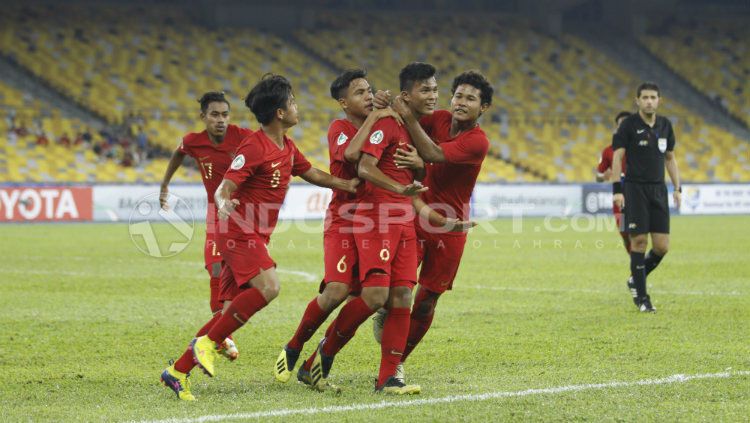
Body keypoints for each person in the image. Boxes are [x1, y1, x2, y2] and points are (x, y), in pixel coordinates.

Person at [160, 74, 359, 401]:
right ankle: (206, 344)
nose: (297, 108)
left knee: (227, 311)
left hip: (254, 236)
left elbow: (312, 173)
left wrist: (348, 185)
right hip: (237, 231)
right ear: (280, 112)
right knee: (269, 287)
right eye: (292, 102)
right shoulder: (254, 144)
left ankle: (178, 370)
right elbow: (226, 185)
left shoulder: (288, 147)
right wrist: (224, 204)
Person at [297, 62, 439, 395]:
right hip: (375, 217)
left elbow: (421, 169)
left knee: (403, 294)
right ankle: (318, 357)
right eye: (426, 90)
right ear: (407, 95)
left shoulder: (411, 127)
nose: (433, 96)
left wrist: (418, 173)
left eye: (435, 90)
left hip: (403, 220)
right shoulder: (386, 122)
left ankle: (388, 378)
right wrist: (399, 187)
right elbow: (361, 163)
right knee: (371, 295)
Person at [274, 69, 403, 384]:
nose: (369, 96)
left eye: (370, 90)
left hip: (374, 220)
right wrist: (375, 118)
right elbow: (352, 154)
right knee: (336, 291)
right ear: (344, 102)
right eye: (360, 93)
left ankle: (319, 355)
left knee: (372, 296)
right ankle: (294, 344)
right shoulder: (340, 128)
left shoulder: (383, 126)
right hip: (345, 219)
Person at [372, 70, 492, 384]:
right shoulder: (436, 118)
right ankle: (387, 320)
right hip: (414, 213)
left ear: (483, 108)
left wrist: (418, 158)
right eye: (459, 95)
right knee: (397, 289)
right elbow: (402, 119)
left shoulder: (477, 141)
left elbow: (434, 154)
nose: (462, 102)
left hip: (449, 226)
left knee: (425, 303)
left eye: (471, 98)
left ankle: (397, 362)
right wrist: (383, 102)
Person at [159, 91, 251, 361]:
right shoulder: (193, 142)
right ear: (203, 117)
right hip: (216, 216)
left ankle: (221, 332)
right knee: (215, 268)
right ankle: (223, 336)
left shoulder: (243, 136)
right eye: (214, 115)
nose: (220, 120)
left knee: (240, 281)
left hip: (243, 215)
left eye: (225, 114)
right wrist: (165, 184)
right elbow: (178, 154)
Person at [612, 82, 681, 313]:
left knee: (662, 247)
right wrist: (617, 191)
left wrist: (677, 188)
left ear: (659, 100)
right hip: (635, 189)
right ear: (638, 100)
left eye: (653, 97)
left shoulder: (665, 125)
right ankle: (643, 298)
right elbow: (616, 157)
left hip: (658, 190)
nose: (649, 101)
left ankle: (635, 279)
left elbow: (670, 158)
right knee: (639, 242)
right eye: (645, 97)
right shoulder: (629, 126)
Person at [596, 111, 631, 254]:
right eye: (621, 125)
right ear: (617, 128)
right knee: (624, 231)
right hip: (619, 195)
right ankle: (635, 260)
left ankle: (637, 268)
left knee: (639, 234)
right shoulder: (608, 151)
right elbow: (598, 177)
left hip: (638, 192)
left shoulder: (642, 147)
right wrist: (604, 176)